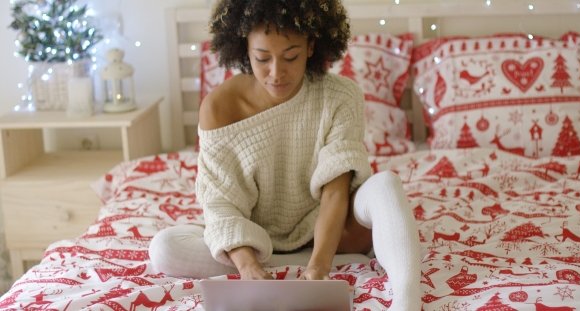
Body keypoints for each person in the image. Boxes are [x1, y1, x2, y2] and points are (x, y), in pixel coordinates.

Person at [149, 0, 421, 309]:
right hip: (257, 239)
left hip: (331, 230)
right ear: (243, 49)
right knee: (164, 249)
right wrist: (247, 266)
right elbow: (219, 204)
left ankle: (408, 302)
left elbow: (335, 191)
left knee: (386, 184)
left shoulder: (341, 95)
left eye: (290, 56)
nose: (276, 73)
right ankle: (304, 265)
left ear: (311, 47)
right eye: (262, 58)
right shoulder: (218, 108)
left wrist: (319, 267)